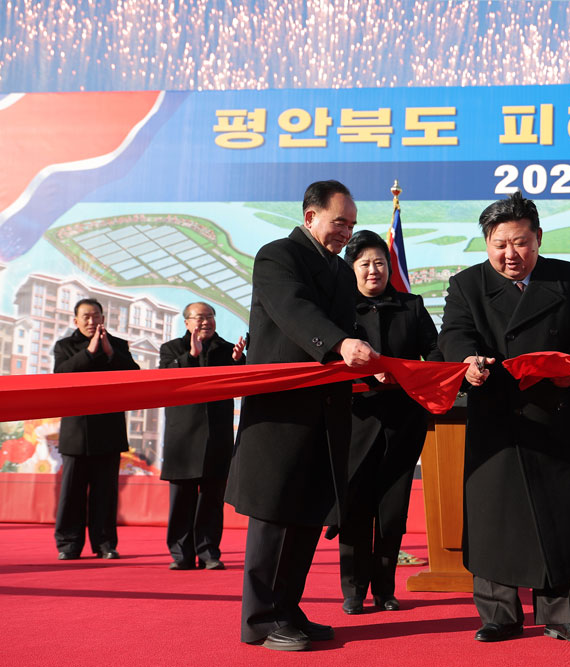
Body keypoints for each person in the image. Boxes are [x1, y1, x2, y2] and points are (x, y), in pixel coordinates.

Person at [438, 191, 570, 648]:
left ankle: (565, 616)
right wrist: (467, 361)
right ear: (487, 243)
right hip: (497, 414)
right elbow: (454, 333)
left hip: (556, 411)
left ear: (538, 238)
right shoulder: (467, 285)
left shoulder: (569, 278)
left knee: (563, 515)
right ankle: (500, 614)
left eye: (521, 243)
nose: (510, 254)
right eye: (500, 244)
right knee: (493, 516)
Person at [226, 180, 377, 652]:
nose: (345, 232)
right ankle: (260, 619)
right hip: (281, 412)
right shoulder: (278, 256)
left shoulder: (337, 268)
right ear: (310, 216)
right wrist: (338, 344)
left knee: (308, 515)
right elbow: (295, 311)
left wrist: (377, 369)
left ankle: (288, 609)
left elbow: (351, 328)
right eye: (339, 222)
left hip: (324, 410)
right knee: (274, 516)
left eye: (351, 225)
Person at [336, 230, 443, 615]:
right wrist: (368, 377)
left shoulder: (410, 306)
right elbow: (331, 362)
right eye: (364, 263)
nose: (372, 270)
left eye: (379, 262)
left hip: (402, 422)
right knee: (355, 510)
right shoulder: (341, 311)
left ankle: (385, 590)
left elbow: (436, 350)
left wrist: (410, 373)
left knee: (392, 512)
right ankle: (353, 591)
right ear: (352, 269)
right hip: (356, 423)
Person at [159, 302, 245, 571]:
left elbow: (242, 381)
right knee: (181, 499)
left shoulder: (227, 349)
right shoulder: (172, 349)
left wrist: (240, 361)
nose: (206, 322)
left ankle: (208, 551)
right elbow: (166, 381)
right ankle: (180, 553)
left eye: (210, 317)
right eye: (199, 317)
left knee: (211, 498)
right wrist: (191, 356)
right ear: (187, 322)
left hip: (216, 434)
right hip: (183, 436)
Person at [53, 298, 140, 560]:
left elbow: (134, 376)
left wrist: (110, 353)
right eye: (86, 317)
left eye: (97, 316)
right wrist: (90, 352)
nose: (92, 322)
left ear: (104, 318)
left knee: (105, 494)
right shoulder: (65, 346)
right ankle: (68, 545)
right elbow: (61, 375)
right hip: (76, 430)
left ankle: (105, 544)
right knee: (71, 493)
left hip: (109, 430)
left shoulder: (117, 345)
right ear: (75, 320)